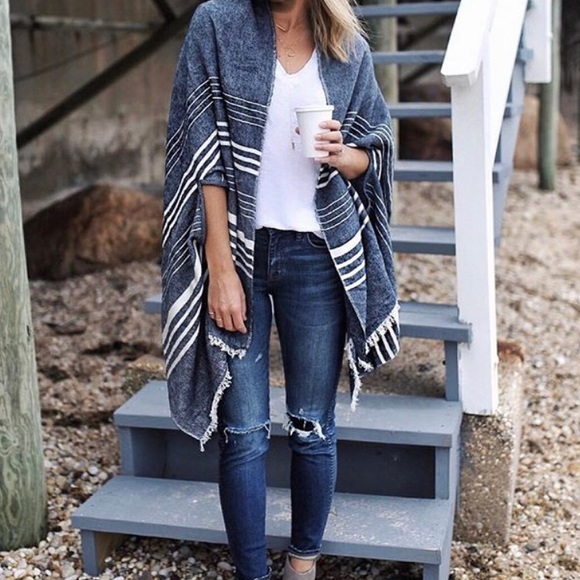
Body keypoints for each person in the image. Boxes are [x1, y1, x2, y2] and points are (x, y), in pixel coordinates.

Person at [161, 0, 400, 578]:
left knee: (312, 426)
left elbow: (376, 148)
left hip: (317, 254)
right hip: (238, 250)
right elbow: (202, 151)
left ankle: (302, 567)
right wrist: (219, 265)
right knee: (242, 431)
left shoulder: (348, 49)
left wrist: (344, 155)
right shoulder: (217, 25)